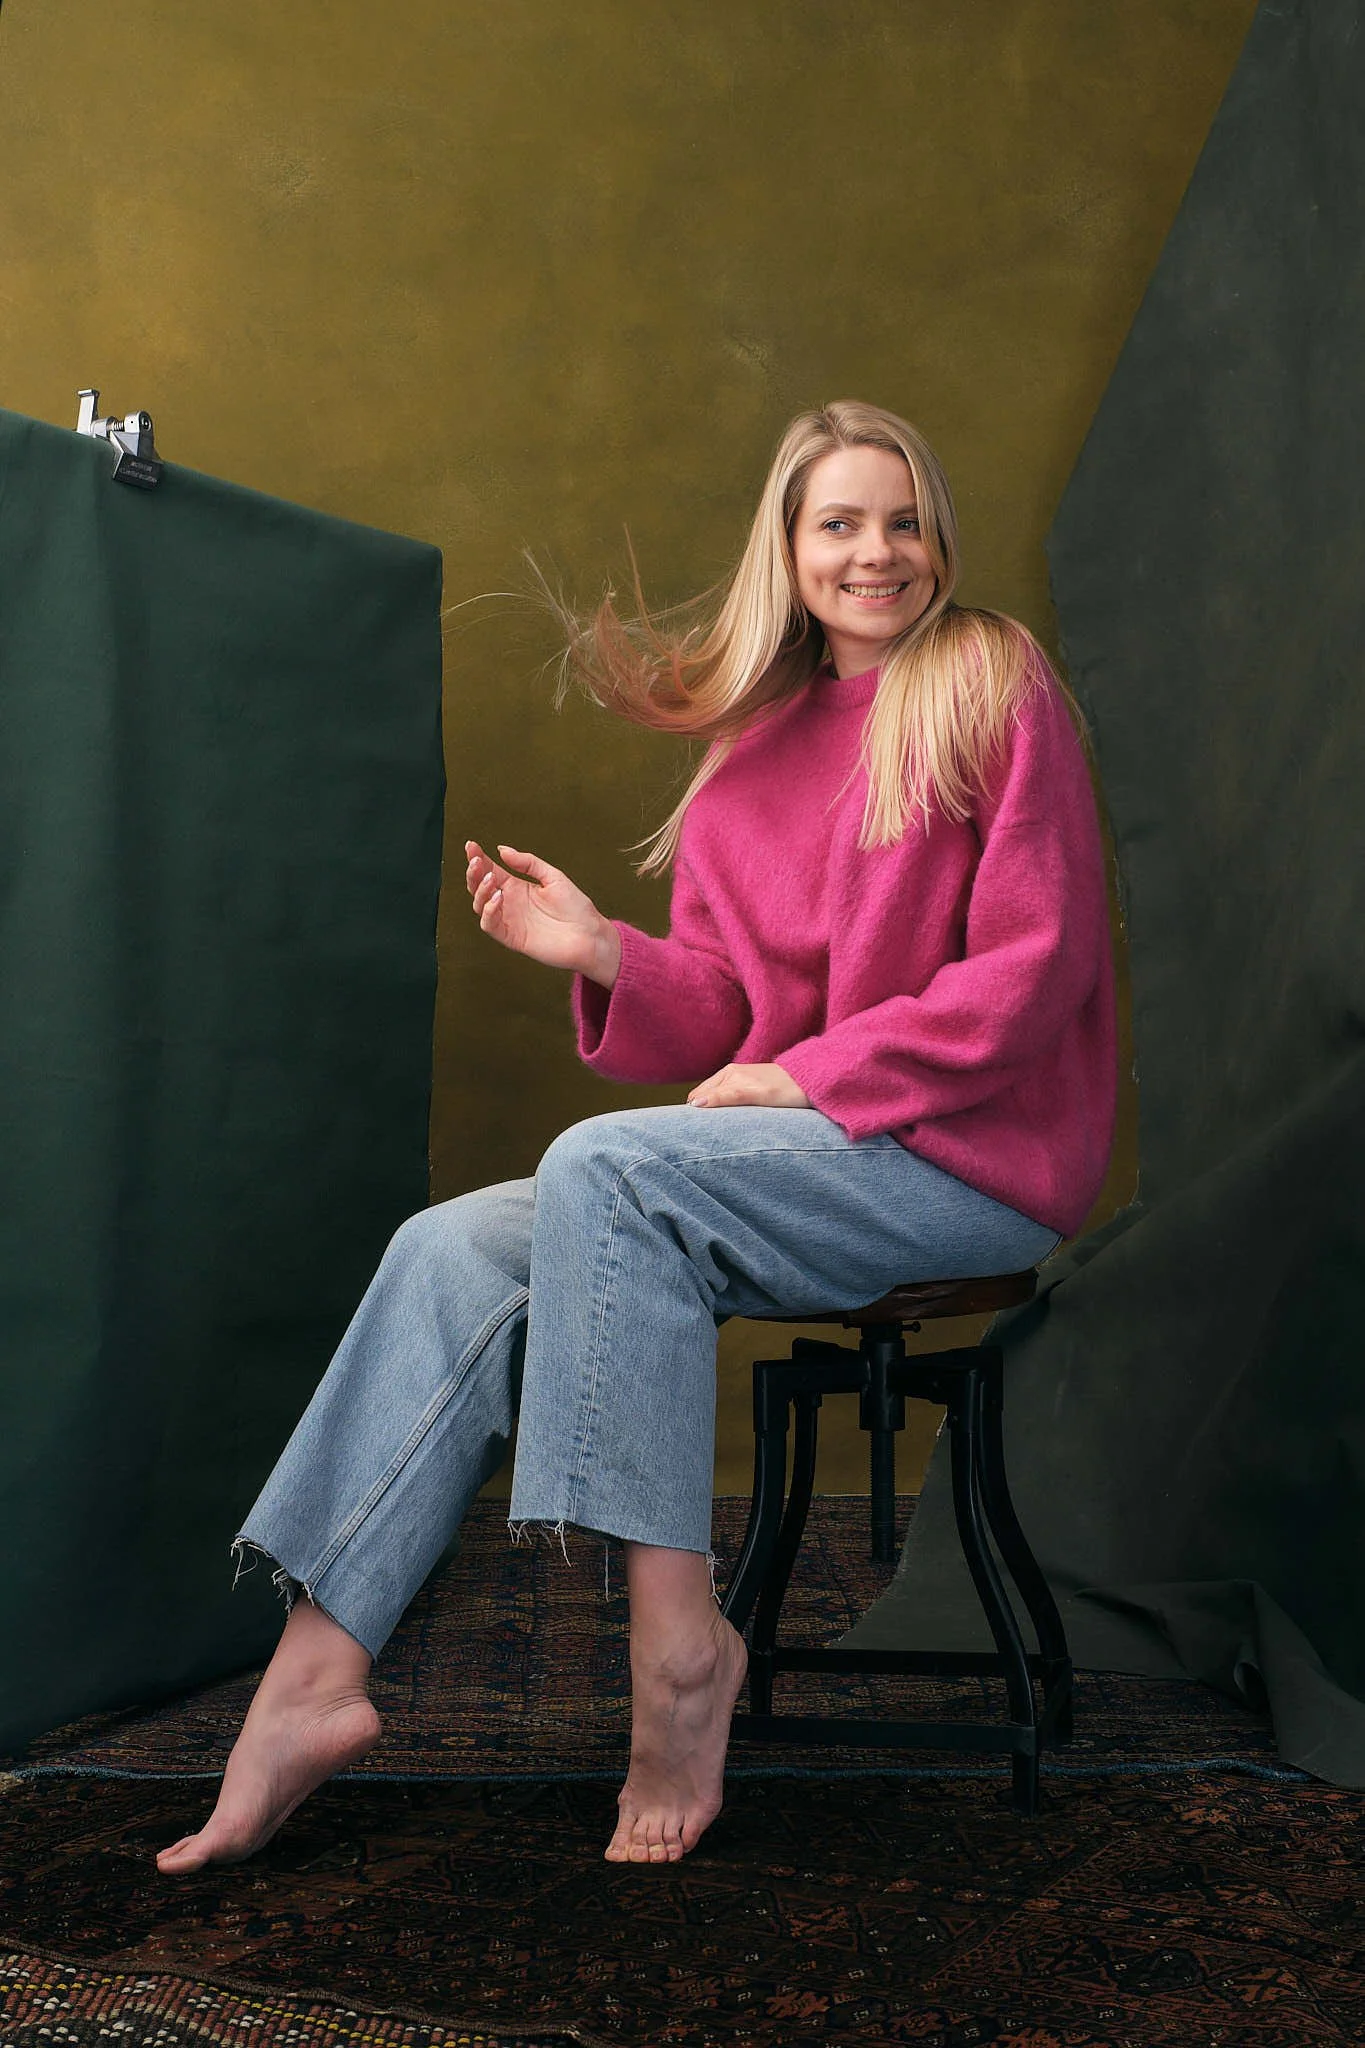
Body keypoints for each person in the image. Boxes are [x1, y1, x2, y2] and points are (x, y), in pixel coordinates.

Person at [156, 399, 1115, 1876]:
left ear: (941, 539)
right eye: (840, 524)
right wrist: (605, 951)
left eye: (905, 521)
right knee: (449, 1249)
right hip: (801, 1164)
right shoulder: (751, 744)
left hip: (963, 1163)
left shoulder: (989, 680)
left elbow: (1037, 965)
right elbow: (728, 1005)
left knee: (608, 1169)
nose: (877, 553)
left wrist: (814, 1079)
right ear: (787, 549)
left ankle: (677, 1655)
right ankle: (313, 1680)